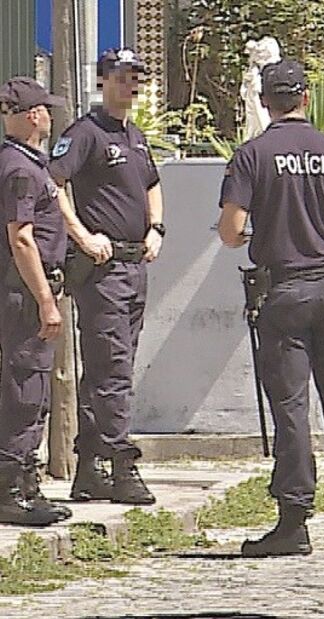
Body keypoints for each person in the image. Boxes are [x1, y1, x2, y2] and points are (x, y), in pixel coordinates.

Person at [218, 58, 324, 557]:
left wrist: (255, 233)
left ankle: (294, 522)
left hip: (283, 293)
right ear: (306, 99)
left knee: (291, 410)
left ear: (266, 102)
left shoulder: (252, 156)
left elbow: (230, 230)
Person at [48, 48, 164, 505]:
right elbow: (53, 182)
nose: (131, 86)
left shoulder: (134, 136)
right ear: (102, 81)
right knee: (112, 370)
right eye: (122, 78)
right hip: (103, 268)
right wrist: (80, 235)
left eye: (136, 79)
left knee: (110, 369)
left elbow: (152, 184)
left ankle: (90, 468)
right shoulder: (86, 133)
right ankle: (121, 466)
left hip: (135, 265)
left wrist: (156, 228)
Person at [0, 77, 72, 525]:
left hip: (24, 291)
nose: (49, 115)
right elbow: (22, 239)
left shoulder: (22, 162)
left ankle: (24, 483)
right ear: (33, 116)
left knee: (28, 388)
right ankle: (13, 490)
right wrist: (46, 300)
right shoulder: (22, 170)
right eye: (45, 109)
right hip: (24, 294)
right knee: (26, 390)